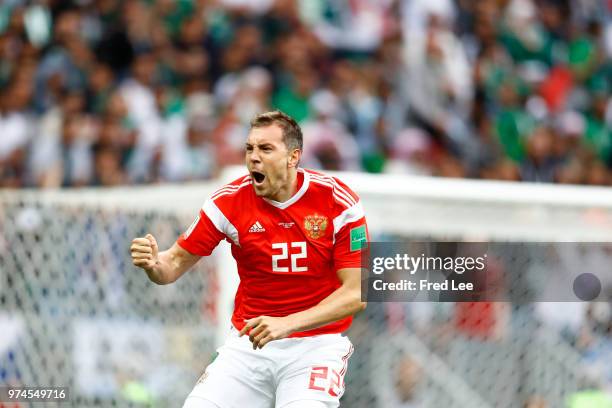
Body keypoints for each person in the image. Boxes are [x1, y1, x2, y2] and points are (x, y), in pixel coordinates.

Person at [130, 110, 368, 407]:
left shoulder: (338, 202)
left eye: (266, 149)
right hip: (249, 344)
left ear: (294, 157)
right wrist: (154, 265)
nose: (254, 157)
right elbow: (174, 263)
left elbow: (356, 292)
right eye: (250, 148)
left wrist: (287, 324)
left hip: (315, 347)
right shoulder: (227, 202)